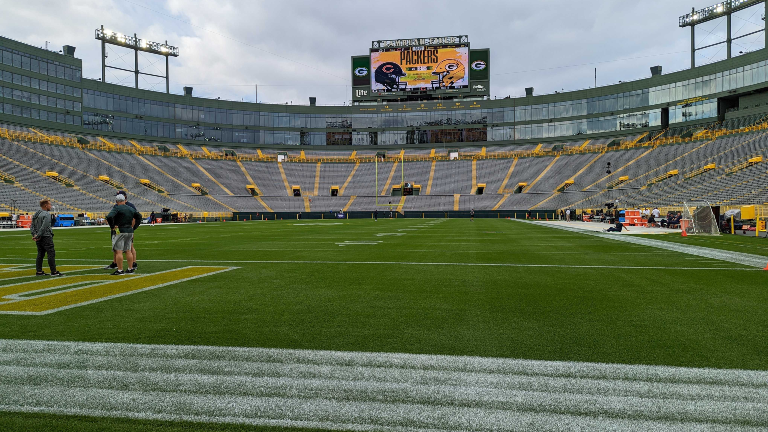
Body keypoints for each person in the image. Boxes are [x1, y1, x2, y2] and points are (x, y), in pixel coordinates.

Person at [106, 194, 142, 275]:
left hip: (120, 230)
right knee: (128, 250)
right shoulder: (130, 208)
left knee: (118, 251)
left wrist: (112, 226)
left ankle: (120, 270)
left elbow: (109, 216)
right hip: (129, 230)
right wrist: (134, 227)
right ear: (124, 200)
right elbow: (139, 216)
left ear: (116, 201)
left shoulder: (117, 208)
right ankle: (130, 268)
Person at [30, 199, 62, 277]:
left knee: (40, 254)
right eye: (50, 205)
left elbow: (32, 226)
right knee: (51, 253)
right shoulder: (47, 214)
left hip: (38, 237)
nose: (50, 206)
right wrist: (38, 235)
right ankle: (53, 271)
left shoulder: (36, 214)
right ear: (46, 205)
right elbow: (45, 226)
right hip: (46, 236)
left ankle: (39, 271)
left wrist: (35, 235)